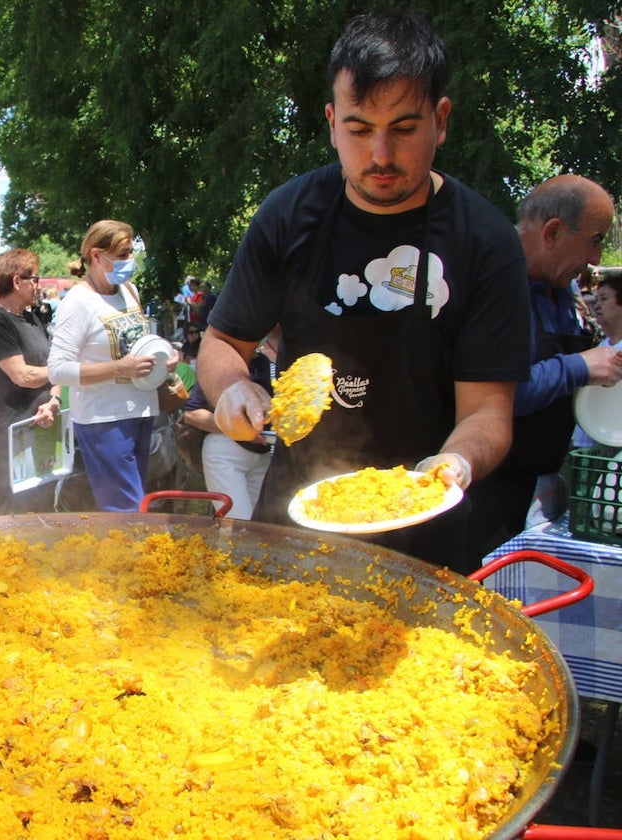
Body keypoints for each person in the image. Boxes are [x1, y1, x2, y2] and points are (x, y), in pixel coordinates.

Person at [198, 11, 532, 574]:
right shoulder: (289, 216)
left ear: (441, 119)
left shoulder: (486, 241)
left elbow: (489, 412)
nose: (379, 154)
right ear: (331, 122)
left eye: (403, 129)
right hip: (294, 520)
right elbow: (223, 341)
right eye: (358, 130)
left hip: (423, 527)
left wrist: (455, 461)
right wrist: (231, 390)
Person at [463, 175, 622, 560]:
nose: (598, 259)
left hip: (539, 485)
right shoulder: (493, 286)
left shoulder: (563, 291)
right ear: (553, 232)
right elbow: (494, 395)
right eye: (596, 240)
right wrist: (579, 367)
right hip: (490, 494)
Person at [47, 219, 169, 512]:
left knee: (137, 503)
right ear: (96, 256)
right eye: (123, 254)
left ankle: (131, 556)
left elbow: (136, 344)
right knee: (124, 509)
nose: (131, 260)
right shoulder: (77, 302)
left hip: (140, 410)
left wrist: (164, 357)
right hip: (103, 421)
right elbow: (58, 369)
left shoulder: (129, 290)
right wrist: (118, 370)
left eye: (131, 252)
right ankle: (129, 558)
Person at [0, 248, 62, 514]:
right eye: (34, 279)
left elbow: (52, 366)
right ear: (17, 281)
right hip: (15, 436)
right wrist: (68, 371)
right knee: (12, 513)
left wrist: (54, 400)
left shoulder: (32, 317)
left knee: (43, 506)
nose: (38, 285)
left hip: (44, 425)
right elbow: (23, 375)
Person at [180, 335, 277, 518]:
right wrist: (238, 429)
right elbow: (191, 414)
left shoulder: (265, 363)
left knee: (260, 523)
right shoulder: (219, 365)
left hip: (261, 453)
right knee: (237, 522)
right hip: (225, 452)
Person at [576, 269, 622, 448]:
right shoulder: (601, 346)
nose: (596, 305)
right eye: (596, 299)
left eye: (604, 299)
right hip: (589, 445)